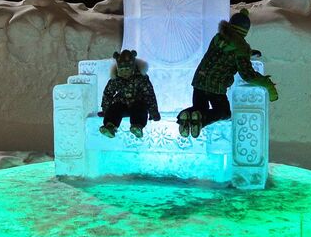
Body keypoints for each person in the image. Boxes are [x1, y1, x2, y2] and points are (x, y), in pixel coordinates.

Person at [177, 8, 278, 138]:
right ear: (245, 30)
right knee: (224, 112)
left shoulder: (218, 38)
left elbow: (228, 51)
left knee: (200, 109)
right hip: (216, 87)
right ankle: (201, 121)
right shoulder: (241, 50)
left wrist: (248, 53)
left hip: (199, 81)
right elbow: (248, 75)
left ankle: (184, 116)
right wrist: (268, 85)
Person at [99, 49, 160, 139]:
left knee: (140, 108)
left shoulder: (141, 78)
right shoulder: (116, 79)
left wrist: (153, 111)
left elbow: (149, 94)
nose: (124, 73)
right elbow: (108, 93)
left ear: (133, 67)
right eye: (121, 70)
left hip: (137, 102)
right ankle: (110, 126)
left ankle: (137, 126)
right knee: (115, 108)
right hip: (121, 103)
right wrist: (105, 109)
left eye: (127, 69)